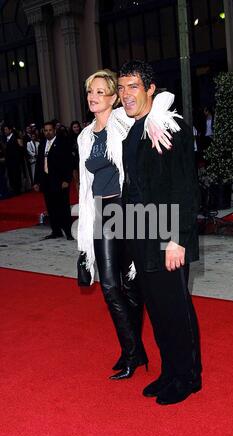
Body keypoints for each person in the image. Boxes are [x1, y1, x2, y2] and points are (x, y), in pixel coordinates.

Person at [77, 69, 171, 380]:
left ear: (114, 97)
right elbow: (84, 186)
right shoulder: (83, 136)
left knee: (132, 284)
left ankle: (131, 350)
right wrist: (82, 242)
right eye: (91, 91)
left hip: (127, 207)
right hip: (101, 211)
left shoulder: (122, 120)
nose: (94, 97)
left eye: (101, 92)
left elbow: (162, 101)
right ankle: (133, 350)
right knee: (108, 283)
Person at [117, 60, 202, 405]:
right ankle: (170, 371)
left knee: (176, 309)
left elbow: (183, 187)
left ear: (150, 88)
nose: (126, 95)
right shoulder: (133, 129)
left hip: (167, 232)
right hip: (140, 230)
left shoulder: (170, 125)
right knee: (157, 308)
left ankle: (188, 377)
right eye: (121, 88)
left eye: (133, 86)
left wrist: (175, 239)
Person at [34, 121, 73, 240]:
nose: (48, 132)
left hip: (60, 181)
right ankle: (56, 231)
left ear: (54, 130)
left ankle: (68, 231)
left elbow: (69, 162)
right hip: (46, 181)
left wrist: (67, 179)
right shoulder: (42, 144)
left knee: (63, 207)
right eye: (45, 130)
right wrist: (36, 181)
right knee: (51, 207)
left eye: (50, 130)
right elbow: (39, 163)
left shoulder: (62, 143)